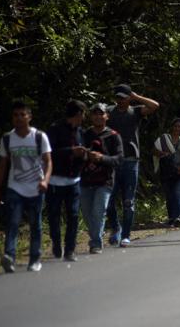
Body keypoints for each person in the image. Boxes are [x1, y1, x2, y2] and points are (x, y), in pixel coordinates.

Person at [0, 102, 52, 273]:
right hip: (15, 187)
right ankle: (9, 257)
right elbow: (3, 165)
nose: (19, 118)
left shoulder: (39, 137)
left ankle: (35, 259)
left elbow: (48, 162)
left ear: (29, 117)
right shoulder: (7, 138)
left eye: (22, 114)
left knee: (36, 224)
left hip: (36, 187)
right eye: (15, 115)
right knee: (12, 222)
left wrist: (45, 181)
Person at [106, 84, 159, 248]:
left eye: (124, 97)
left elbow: (154, 106)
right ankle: (116, 228)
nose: (121, 100)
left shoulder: (135, 111)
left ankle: (126, 235)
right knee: (109, 200)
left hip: (131, 161)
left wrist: (136, 97)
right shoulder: (109, 111)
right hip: (113, 161)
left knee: (128, 201)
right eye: (118, 97)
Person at [45, 100, 86, 262]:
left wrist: (84, 155)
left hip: (74, 181)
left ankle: (70, 249)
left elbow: (83, 151)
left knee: (73, 215)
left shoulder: (81, 132)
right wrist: (70, 151)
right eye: (83, 114)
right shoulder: (55, 130)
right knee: (54, 215)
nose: (84, 118)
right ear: (78, 114)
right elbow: (48, 154)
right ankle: (56, 243)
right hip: (55, 180)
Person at [80, 103, 124, 254]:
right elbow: (76, 155)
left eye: (101, 113)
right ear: (90, 116)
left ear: (107, 116)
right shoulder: (84, 135)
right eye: (95, 113)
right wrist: (86, 155)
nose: (98, 116)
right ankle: (96, 236)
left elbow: (118, 159)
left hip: (105, 181)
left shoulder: (113, 136)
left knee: (99, 211)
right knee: (87, 213)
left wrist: (102, 158)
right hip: (85, 180)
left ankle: (96, 243)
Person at [154, 118, 180, 227]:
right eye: (175, 126)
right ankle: (172, 217)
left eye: (179, 126)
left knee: (177, 193)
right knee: (169, 195)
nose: (177, 128)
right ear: (171, 127)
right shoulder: (164, 138)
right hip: (167, 171)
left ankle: (178, 217)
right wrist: (162, 153)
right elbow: (154, 150)